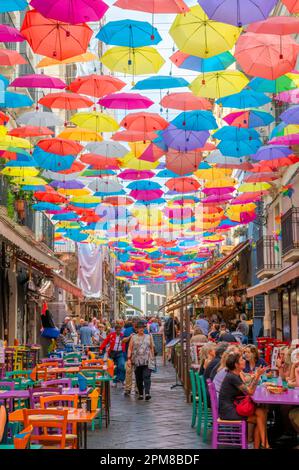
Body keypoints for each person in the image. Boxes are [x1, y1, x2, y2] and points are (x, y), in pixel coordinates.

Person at [218, 352, 270, 449]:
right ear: (236, 365)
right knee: (260, 418)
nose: (244, 361)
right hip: (229, 411)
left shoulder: (234, 375)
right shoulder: (232, 377)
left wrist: (256, 376)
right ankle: (265, 445)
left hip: (233, 407)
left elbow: (247, 389)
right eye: (241, 360)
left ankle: (262, 445)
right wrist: (257, 375)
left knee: (261, 412)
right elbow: (250, 391)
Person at [127, 321, 155, 400]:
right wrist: (129, 359)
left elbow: (152, 347)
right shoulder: (133, 337)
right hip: (137, 361)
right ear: (137, 329)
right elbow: (130, 348)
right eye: (139, 328)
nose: (141, 329)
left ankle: (147, 393)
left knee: (146, 376)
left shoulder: (149, 336)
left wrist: (152, 357)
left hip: (147, 360)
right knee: (138, 378)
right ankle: (141, 394)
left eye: (142, 328)